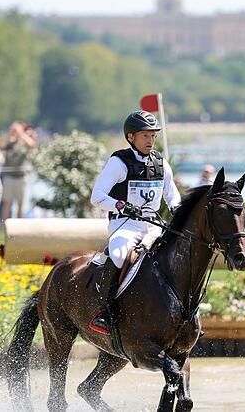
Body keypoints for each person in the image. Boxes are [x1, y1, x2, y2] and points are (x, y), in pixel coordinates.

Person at [89, 110, 180, 335]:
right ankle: (106, 312)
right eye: (145, 136)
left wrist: (179, 212)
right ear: (131, 137)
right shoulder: (118, 162)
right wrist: (121, 205)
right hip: (125, 226)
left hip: (153, 227)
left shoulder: (161, 163)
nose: (150, 141)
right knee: (119, 255)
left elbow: (173, 198)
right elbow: (97, 197)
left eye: (153, 136)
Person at [0, 122, 36, 221]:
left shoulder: (24, 144)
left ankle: (19, 226)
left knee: (20, 203)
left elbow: (32, 145)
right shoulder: (8, 143)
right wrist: (10, 134)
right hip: (9, 177)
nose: (14, 132)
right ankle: (4, 226)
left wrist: (21, 134)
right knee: (7, 203)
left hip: (21, 177)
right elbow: (0, 145)